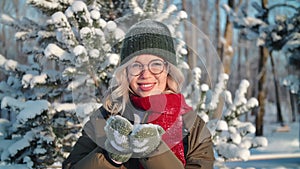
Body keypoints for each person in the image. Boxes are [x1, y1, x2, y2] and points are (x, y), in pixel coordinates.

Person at [62, 19, 215, 169]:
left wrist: (154, 152)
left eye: (156, 64)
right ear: (125, 72)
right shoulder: (104, 118)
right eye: (136, 65)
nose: (145, 75)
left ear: (168, 70)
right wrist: (110, 156)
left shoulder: (192, 125)